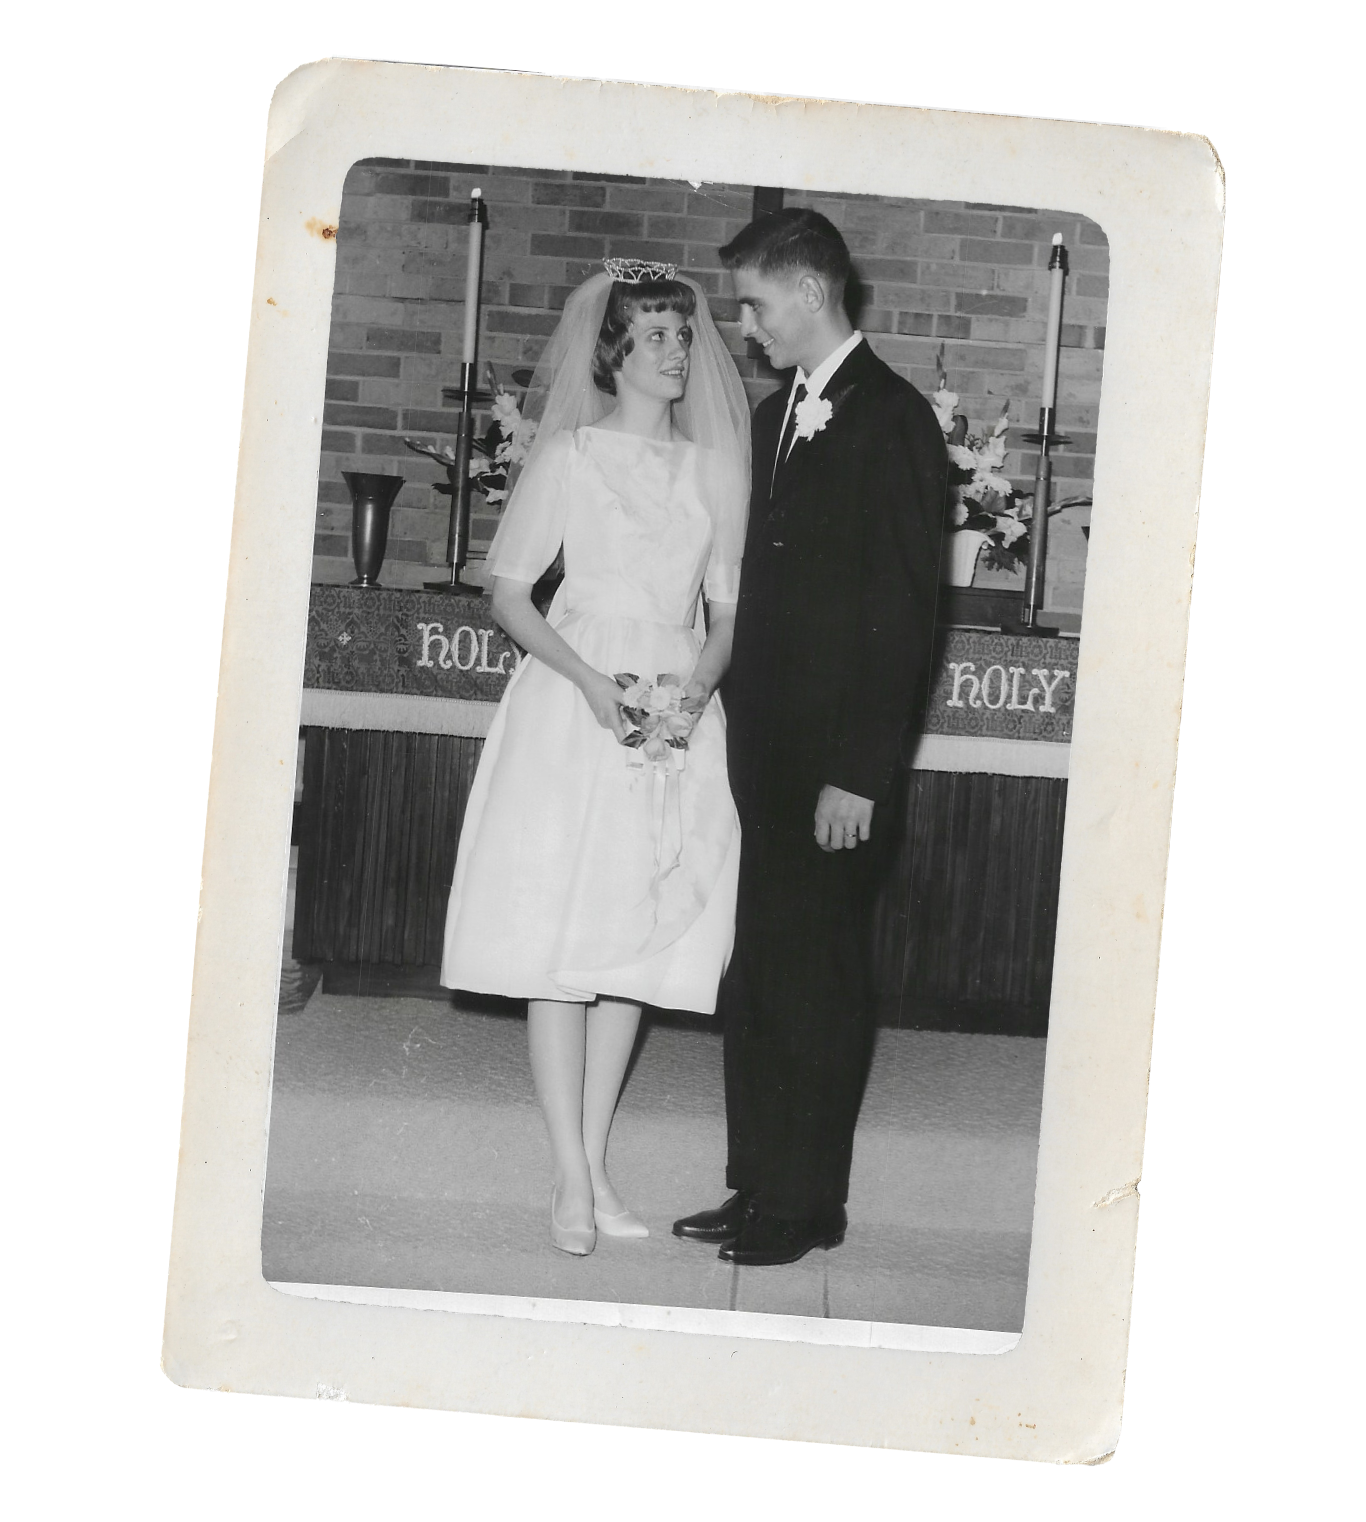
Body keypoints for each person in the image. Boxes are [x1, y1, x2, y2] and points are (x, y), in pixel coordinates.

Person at [441, 259, 751, 1258]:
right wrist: (586, 681)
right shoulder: (570, 455)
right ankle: (569, 1179)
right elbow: (509, 593)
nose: (676, 351)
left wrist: (694, 689)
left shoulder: (716, 471)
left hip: (671, 707)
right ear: (613, 350)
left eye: (681, 333)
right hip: (576, 705)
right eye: (655, 335)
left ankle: (597, 1161)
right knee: (559, 939)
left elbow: (727, 609)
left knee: (635, 942)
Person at [672, 209, 948, 1266]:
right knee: (763, 977)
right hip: (765, 757)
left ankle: (807, 1204)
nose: (746, 327)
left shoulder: (893, 420)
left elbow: (903, 618)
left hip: (834, 772)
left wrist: (859, 776)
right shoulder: (774, 408)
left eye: (753, 302)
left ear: (809, 289)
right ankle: (760, 1183)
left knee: (817, 979)